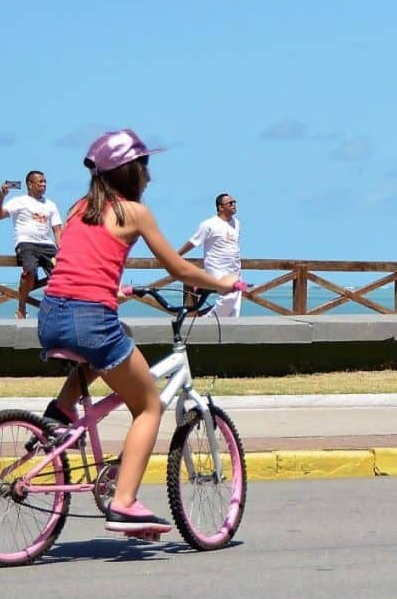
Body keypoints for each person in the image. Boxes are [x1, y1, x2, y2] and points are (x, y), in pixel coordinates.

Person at [34, 130, 245, 535]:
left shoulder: (80, 208)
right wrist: (224, 283)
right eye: (145, 166)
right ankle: (125, 501)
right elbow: (179, 269)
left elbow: (78, 262)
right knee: (149, 404)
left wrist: (116, 289)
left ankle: (60, 412)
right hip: (90, 320)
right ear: (131, 172)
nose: (149, 176)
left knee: (119, 333)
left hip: (51, 316)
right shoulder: (134, 212)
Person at [0, 171, 63, 319]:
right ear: (30, 184)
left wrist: (62, 250)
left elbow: (57, 230)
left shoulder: (50, 205)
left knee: (62, 275)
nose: (43, 185)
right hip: (26, 243)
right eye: (40, 182)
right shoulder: (20, 201)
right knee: (29, 272)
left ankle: (58, 310)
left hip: (47, 245)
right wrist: (1, 197)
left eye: (45, 182)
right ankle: (21, 308)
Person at [177, 193, 243, 317]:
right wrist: (176, 255)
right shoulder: (209, 225)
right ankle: (208, 319)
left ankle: (230, 330)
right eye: (230, 203)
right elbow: (193, 241)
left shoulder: (237, 223)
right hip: (217, 268)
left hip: (234, 269)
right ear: (220, 207)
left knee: (234, 306)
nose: (234, 205)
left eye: (234, 202)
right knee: (229, 296)